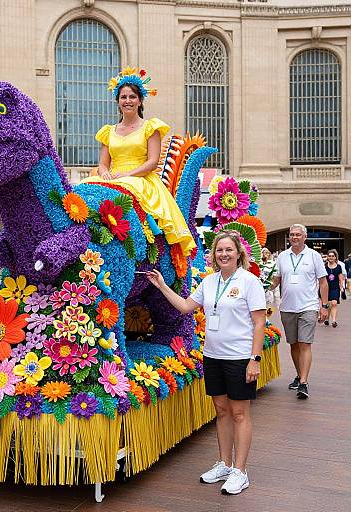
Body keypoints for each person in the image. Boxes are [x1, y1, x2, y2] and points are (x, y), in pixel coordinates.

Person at [147, 231, 266, 495]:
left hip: (239, 358)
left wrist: (254, 359)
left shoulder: (249, 282)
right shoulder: (209, 282)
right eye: (219, 250)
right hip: (213, 356)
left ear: (239, 254)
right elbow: (186, 307)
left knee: (239, 413)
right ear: (213, 255)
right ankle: (224, 464)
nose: (224, 254)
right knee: (221, 411)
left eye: (228, 250)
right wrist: (162, 286)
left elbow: (260, 322)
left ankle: (240, 470)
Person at [81, 67, 195, 256]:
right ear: (117, 101)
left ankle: (148, 242)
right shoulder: (108, 131)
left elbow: (152, 162)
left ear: (140, 100)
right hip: (114, 177)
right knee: (85, 186)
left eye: (132, 97)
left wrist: (127, 175)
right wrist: (105, 173)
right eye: (123, 97)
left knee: (126, 188)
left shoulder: (150, 127)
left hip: (140, 178)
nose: (127, 101)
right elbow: (103, 163)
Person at [270, 224, 328, 400]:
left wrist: (324, 305)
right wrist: (262, 286)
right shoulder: (282, 257)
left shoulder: (314, 256)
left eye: (298, 234)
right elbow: (277, 279)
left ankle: (303, 382)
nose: (294, 237)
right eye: (292, 234)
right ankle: (299, 374)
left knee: (305, 343)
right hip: (287, 307)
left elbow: (323, 282)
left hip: (308, 307)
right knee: (293, 344)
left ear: (305, 237)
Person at [324, 249, 344, 328]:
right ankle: (327, 319)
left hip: (335, 288)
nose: (331, 257)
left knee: (334, 303)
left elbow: (341, 278)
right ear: (327, 257)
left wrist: (341, 287)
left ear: (335, 257)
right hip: (327, 288)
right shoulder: (325, 266)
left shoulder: (339, 267)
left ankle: (334, 321)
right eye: (329, 256)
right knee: (328, 304)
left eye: (333, 256)